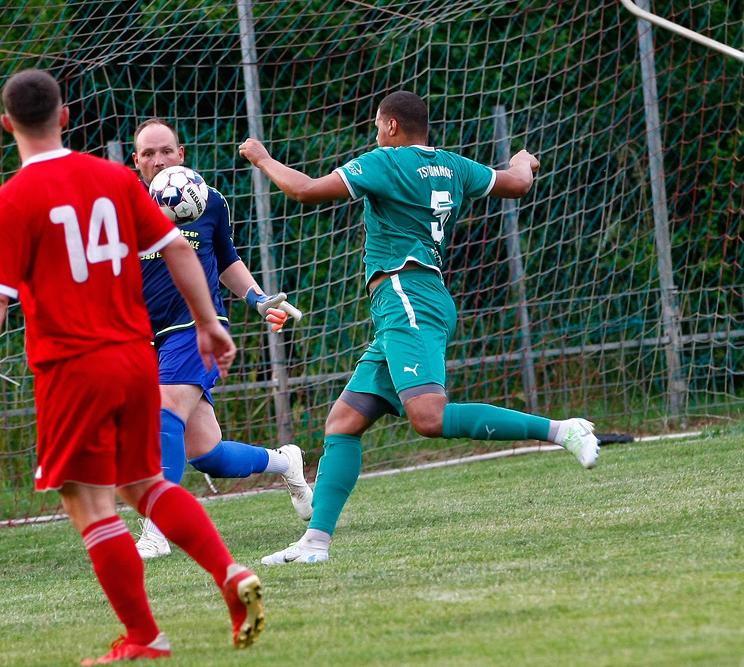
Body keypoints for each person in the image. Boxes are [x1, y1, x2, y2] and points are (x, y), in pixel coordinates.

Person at [0, 69, 264, 663]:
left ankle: (144, 637)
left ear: (7, 124)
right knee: (145, 484)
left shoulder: (11, 200)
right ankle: (228, 572)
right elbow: (176, 247)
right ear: (65, 117)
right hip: (134, 358)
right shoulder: (115, 179)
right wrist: (209, 321)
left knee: (88, 500)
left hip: (72, 368)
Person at [238, 91, 600, 566]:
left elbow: (304, 190)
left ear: (390, 126)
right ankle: (315, 543)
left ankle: (561, 430)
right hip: (410, 303)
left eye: (375, 124)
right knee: (343, 424)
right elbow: (517, 182)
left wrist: (263, 158)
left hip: (407, 295)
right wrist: (522, 159)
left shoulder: (385, 162)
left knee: (427, 417)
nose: (374, 131)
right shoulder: (451, 164)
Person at [129, 118, 313, 559]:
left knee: (163, 412)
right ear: (135, 161)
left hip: (200, 328)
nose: (158, 160)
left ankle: (156, 529)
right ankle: (285, 461)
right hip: (146, 340)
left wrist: (257, 298)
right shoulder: (121, 206)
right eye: (148, 154)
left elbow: (227, 259)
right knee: (206, 453)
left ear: (182, 154)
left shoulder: (210, 201)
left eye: (166, 151)